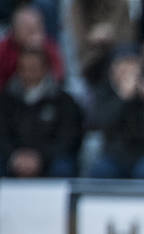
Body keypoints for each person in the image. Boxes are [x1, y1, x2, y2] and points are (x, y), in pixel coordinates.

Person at [86, 45, 144, 179]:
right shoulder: (104, 91)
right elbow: (99, 122)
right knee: (101, 171)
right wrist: (123, 98)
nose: (128, 70)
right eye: (123, 64)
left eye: (132, 64)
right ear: (113, 68)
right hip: (114, 153)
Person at [0, 46, 82, 177]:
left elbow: (68, 137)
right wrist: (14, 155)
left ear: (45, 68)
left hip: (50, 158)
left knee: (63, 167)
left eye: (33, 68)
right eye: (24, 68)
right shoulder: (6, 99)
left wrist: (41, 157)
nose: (28, 73)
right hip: (14, 157)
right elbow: (2, 134)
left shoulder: (63, 100)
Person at [0, 3, 64, 88]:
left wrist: (40, 53)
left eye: (37, 28)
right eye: (29, 30)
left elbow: (58, 77)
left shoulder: (48, 46)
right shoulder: (3, 49)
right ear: (15, 31)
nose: (35, 34)